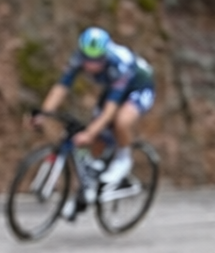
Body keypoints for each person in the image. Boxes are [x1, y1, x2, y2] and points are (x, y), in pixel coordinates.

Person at [29, 26, 155, 216]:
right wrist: (44, 113)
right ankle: (88, 190)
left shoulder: (118, 63)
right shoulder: (79, 58)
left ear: (104, 54)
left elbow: (110, 110)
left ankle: (123, 158)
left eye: (96, 60)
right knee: (97, 138)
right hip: (114, 87)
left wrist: (90, 133)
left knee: (120, 121)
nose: (90, 64)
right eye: (86, 58)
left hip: (138, 87)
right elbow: (61, 87)